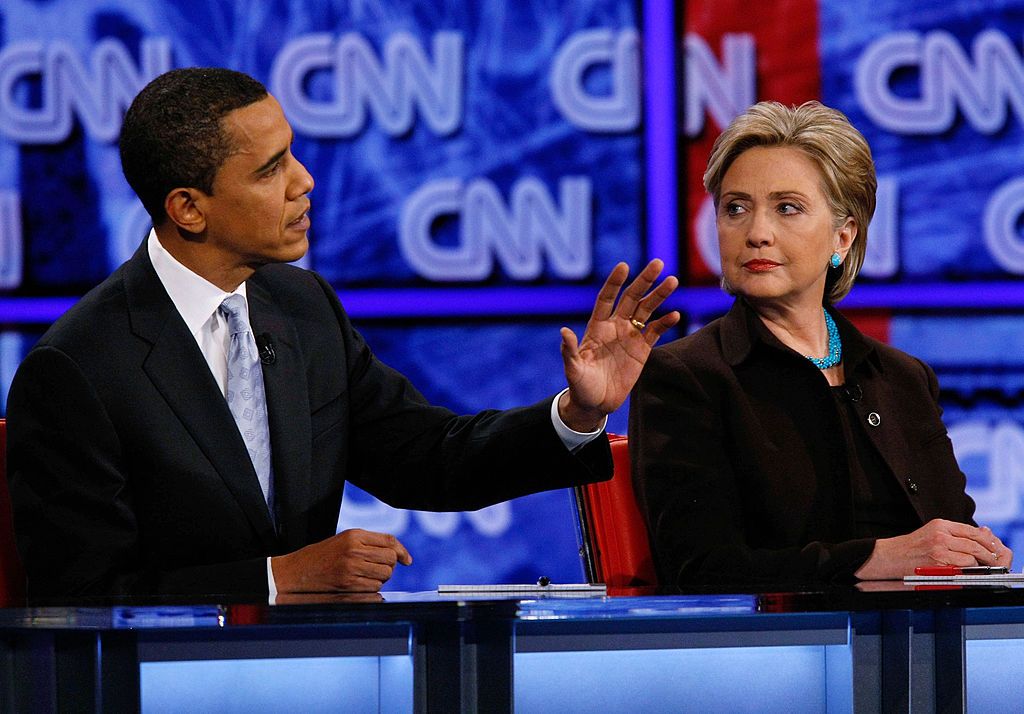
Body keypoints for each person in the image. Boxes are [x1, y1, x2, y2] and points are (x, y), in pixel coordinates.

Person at [5, 67, 680, 599]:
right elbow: (81, 596)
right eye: (270, 170)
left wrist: (577, 413)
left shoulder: (302, 308)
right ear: (188, 208)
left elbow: (429, 458)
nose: (305, 181)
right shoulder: (79, 368)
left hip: (319, 674)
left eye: (292, 154)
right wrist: (280, 580)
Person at [630, 100, 1012, 592]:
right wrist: (875, 558)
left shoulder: (902, 379)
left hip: (914, 652)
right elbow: (700, 570)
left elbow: (946, 534)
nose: (757, 234)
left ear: (843, 237)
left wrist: (976, 555)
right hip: (770, 656)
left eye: (787, 208)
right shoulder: (684, 377)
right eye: (735, 209)